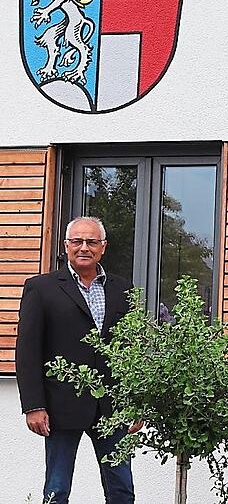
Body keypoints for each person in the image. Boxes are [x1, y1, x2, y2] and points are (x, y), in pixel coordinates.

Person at [16, 216, 142, 504]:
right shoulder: (41, 288)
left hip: (112, 408)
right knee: (57, 490)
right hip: (60, 407)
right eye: (77, 241)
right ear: (66, 246)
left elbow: (132, 349)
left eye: (92, 242)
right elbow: (28, 351)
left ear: (103, 247)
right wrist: (34, 406)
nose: (84, 247)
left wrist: (136, 402)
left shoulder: (123, 290)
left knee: (122, 491)